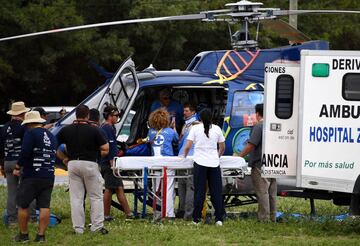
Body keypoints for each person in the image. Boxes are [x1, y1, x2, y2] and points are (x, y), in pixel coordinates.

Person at [57, 105, 109, 234]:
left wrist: (64, 158)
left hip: (73, 163)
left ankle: (78, 228)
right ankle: (96, 226)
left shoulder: (66, 130)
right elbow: (106, 149)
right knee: (95, 197)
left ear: (75, 115)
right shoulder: (94, 130)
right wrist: (96, 154)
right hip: (90, 163)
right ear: (88, 115)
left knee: (76, 198)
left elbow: (55, 146)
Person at [13, 111, 57, 243]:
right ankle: (41, 236)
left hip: (32, 174)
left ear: (30, 123)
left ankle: (24, 235)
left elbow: (25, 152)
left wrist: (17, 167)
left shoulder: (30, 133)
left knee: (23, 204)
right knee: (44, 206)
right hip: (48, 174)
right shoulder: (51, 135)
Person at [183, 108, 225, 226]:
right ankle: (219, 219)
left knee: (199, 191)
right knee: (216, 191)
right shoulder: (217, 129)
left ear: (199, 118)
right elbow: (222, 147)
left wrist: (184, 156)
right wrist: (217, 156)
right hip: (214, 163)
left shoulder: (195, 128)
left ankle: (196, 219)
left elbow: (187, 146)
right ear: (212, 117)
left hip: (200, 162)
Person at [237, 103, 277, 222]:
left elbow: (251, 145)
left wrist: (239, 157)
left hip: (260, 164)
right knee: (272, 193)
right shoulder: (272, 125)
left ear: (257, 114)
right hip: (273, 162)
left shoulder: (259, 127)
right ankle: (273, 217)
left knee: (262, 192)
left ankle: (264, 218)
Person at [100, 105, 133, 221]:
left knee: (117, 187)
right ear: (109, 116)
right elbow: (109, 148)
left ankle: (128, 213)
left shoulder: (108, 127)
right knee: (111, 188)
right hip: (109, 163)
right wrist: (113, 164)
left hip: (109, 162)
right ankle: (107, 215)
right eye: (116, 116)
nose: (117, 118)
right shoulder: (107, 128)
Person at [0, 101, 30, 227]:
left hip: (7, 162)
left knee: (11, 192)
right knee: (27, 190)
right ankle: (29, 217)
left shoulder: (3, 128)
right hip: (21, 162)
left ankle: (12, 220)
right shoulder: (24, 127)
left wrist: (2, 165)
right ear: (22, 113)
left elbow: (0, 148)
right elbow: (27, 146)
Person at [148, 108, 179, 219]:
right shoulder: (170, 131)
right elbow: (177, 141)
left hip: (155, 162)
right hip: (168, 162)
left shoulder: (150, 131)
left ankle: (157, 212)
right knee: (168, 188)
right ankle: (169, 213)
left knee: (156, 188)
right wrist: (174, 128)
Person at [176, 102, 199, 220]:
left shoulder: (196, 124)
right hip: (184, 157)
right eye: (184, 111)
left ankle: (187, 213)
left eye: (186, 111)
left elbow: (186, 143)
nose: (184, 113)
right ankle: (183, 211)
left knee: (188, 186)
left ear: (193, 112)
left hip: (188, 157)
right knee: (183, 186)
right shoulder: (187, 124)